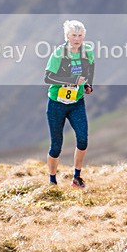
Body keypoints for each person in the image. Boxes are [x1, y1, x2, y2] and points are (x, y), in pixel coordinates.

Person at [44, 19, 95, 188]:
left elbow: (89, 68)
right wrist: (71, 80)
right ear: (67, 36)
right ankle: (52, 181)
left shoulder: (87, 51)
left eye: (80, 35)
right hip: (57, 103)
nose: (77, 38)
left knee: (83, 140)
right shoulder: (59, 53)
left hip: (76, 102)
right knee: (56, 145)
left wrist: (88, 84)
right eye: (73, 35)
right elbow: (48, 77)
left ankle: (76, 178)